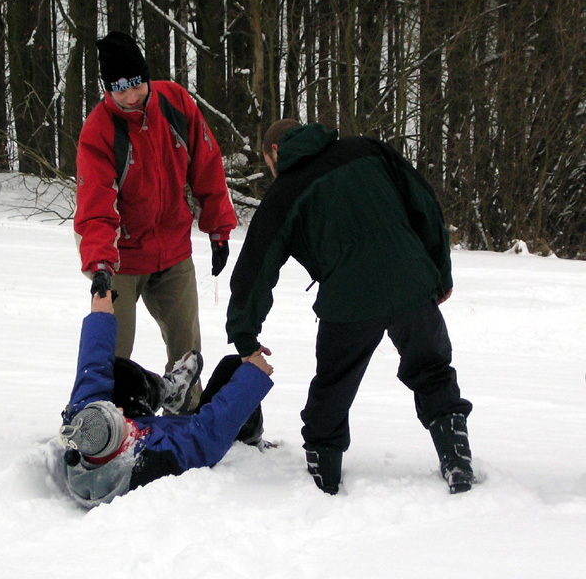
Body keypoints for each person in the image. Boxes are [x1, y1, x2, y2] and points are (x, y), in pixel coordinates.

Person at [225, 119, 474, 495]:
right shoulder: (368, 150)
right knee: (433, 369)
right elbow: (423, 201)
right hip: (410, 281)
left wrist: (245, 336)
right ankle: (457, 461)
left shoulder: (285, 191)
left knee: (334, 385)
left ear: (275, 151)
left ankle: (324, 475)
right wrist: (439, 271)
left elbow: (255, 267)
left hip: (348, 299)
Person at [74, 31, 237, 412]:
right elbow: (95, 207)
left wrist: (218, 229)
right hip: (122, 258)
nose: (131, 96)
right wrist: (100, 266)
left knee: (187, 351)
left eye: (137, 84)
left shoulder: (175, 102)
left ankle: (187, 419)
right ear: (108, 89)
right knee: (112, 353)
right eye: (120, 89)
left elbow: (207, 165)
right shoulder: (99, 130)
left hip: (174, 251)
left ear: (147, 77)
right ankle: (103, 420)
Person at [58, 291, 273, 509]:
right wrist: (254, 376)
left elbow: (92, 371)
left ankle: (171, 391)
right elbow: (208, 433)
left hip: (150, 429)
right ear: (120, 449)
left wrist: (100, 315)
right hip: (184, 434)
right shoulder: (152, 462)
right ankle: (249, 439)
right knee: (234, 368)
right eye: (119, 418)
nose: (120, 410)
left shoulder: (85, 427)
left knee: (118, 372)